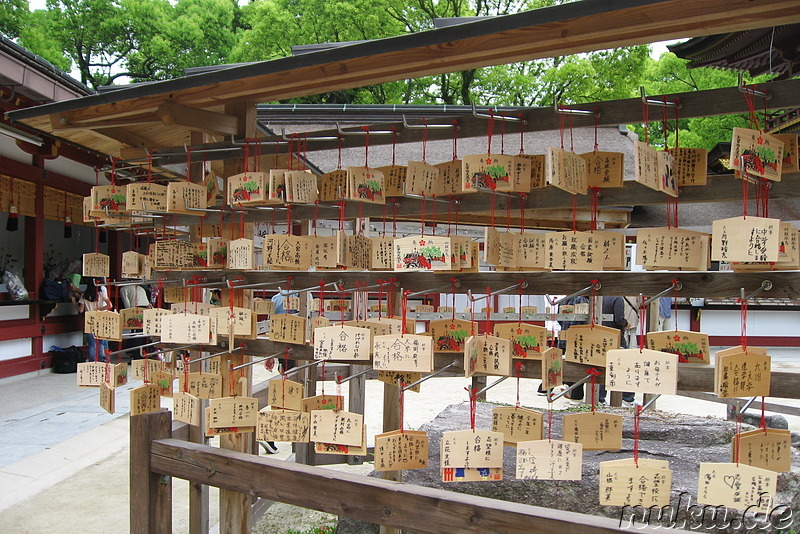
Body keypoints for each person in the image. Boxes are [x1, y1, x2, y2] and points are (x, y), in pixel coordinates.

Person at [598, 296, 635, 406]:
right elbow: (619, 319)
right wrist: (626, 323)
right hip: (616, 336)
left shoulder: (601, 298)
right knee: (625, 366)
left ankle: (600, 398)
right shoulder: (617, 299)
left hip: (602, 335)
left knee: (602, 366)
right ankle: (627, 397)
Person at [73, 277, 112, 362]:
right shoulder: (101, 294)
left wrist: (74, 303)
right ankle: (100, 361)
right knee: (100, 343)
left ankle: (92, 362)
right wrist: (99, 310)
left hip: (89, 320)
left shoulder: (84, 295)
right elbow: (109, 306)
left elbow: (80, 310)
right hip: (100, 319)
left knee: (91, 344)